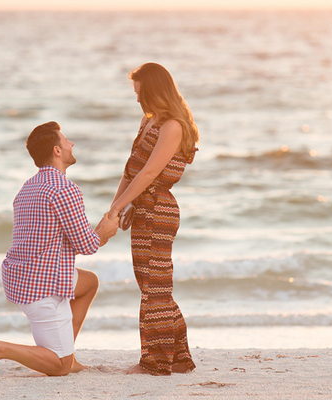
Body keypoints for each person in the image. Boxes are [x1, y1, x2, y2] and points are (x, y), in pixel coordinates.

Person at [0, 121, 119, 378]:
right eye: (67, 141)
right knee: (60, 368)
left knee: (88, 282)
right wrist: (105, 232)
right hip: (43, 285)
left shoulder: (27, 187)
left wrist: (97, 232)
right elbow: (87, 244)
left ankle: (67, 352)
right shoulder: (64, 188)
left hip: (22, 276)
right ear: (57, 150)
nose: (71, 144)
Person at [108, 63, 199, 376]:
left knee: (154, 288)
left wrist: (120, 206)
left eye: (140, 93)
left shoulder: (173, 126)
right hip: (142, 208)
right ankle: (180, 358)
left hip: (159, 209)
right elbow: (130, 169)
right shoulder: (148, 121)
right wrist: (115, 208)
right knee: (151, 285)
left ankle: (156, 361)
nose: (137, 100)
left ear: (154, 91)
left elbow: (149, 173)